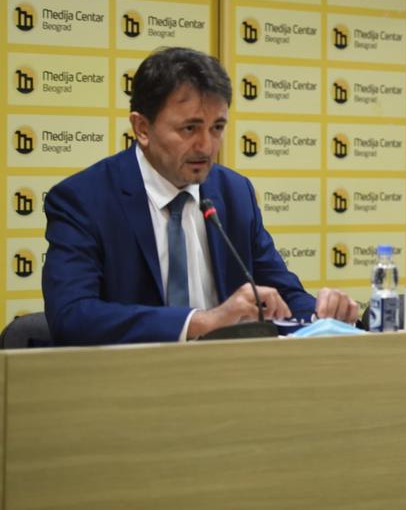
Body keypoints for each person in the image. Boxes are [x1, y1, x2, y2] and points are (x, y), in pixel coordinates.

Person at [42, 47, 358, 345]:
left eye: (217, 128)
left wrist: (321, 314)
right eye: (190, 129)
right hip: (130, 378)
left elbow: (281, 294)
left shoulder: (234, 193)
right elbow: (72, 316)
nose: (206, 146)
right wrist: (201, 322)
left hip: (229, 376)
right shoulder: (85, 200)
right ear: (142, 128)